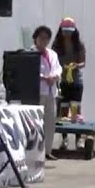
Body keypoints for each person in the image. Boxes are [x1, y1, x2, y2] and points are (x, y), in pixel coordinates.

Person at [50, 17, 86, 152]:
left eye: (70, 32)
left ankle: (79, 139)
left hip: (75, 80)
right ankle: (64, 139)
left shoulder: (79, 44)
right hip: (63, 80)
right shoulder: (57, 45)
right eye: (65, 32)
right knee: (63, 110)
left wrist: (76, 65)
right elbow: (53, 60)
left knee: (75, 110)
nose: (67, 34)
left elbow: (83, 62)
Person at [34, 26, 63, 161]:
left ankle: (48, 150)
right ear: (36, 39)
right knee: (36, 122)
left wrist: (54, 77)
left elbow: (58, 68)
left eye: (47, 38)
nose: (44, 41)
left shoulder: (52, 54)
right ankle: (35, 151)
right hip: (39, 91)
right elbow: (31, 71)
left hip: (51, 92)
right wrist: (45, 78)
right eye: (41, 38)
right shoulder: (31, 54)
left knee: (50, 122)